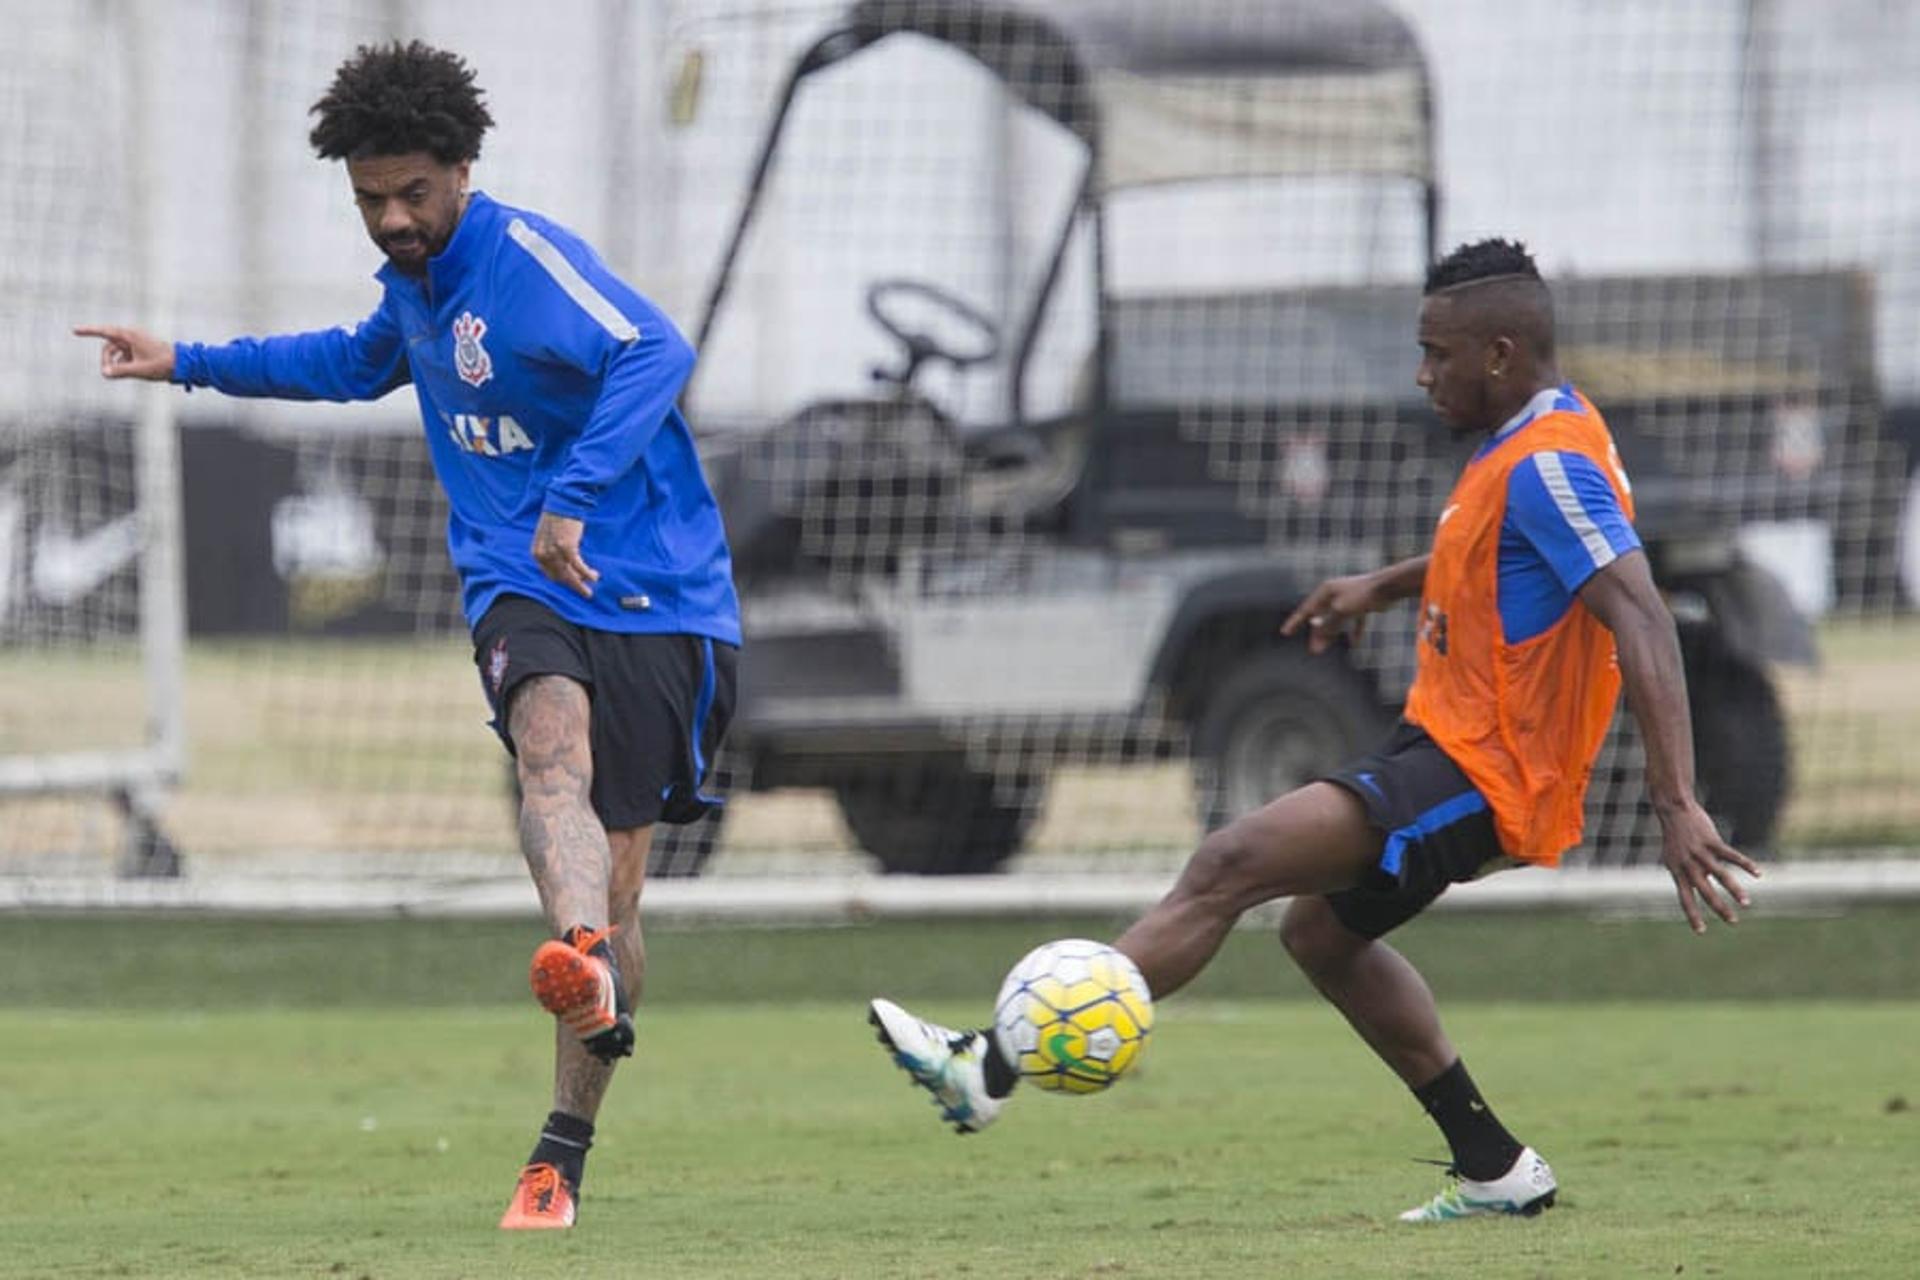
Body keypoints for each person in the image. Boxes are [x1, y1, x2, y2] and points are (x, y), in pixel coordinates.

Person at [868, 238, 1760, 1222]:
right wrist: (1383, 584)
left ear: (1499, 352)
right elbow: (1501, 544)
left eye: (1436, 352)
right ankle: (1498, 1167)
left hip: (1488, 772)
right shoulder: (1545, 433)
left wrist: (1676, 802)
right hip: (1449, 746)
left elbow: (1641, 613)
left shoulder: (1550, 461)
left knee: (1231, 859)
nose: (1423, 374)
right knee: (1322, 934)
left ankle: (986, 1069)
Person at [75, 41, 740, 1231]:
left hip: (657, 591)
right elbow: (346, 361)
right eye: (370, 199)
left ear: (462, 170)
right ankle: (578, 948)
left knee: (627, 872)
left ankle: (564, 1142)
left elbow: (657, 351)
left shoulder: (526, 260)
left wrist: (575, 494)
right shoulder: (413, 291)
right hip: (518, 584)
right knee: (551, 752)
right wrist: (187, 362)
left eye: (412, 194)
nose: (393, 218)